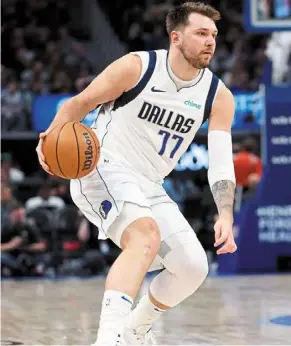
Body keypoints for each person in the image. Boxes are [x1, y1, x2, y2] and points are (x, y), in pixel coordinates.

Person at [36, 2, 237, 345]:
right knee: (144, 238)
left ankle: (135, 328)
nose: (210, 42)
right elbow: (76, 105)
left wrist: (226, 213)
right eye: (201, 33)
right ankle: (109, 338)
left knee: (192, 267)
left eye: (214, 35)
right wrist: (48, 140)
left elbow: (221, 162)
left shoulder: (218, 97)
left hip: (150, 185)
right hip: (102, 168)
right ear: (176, 37)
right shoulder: (137, 67)